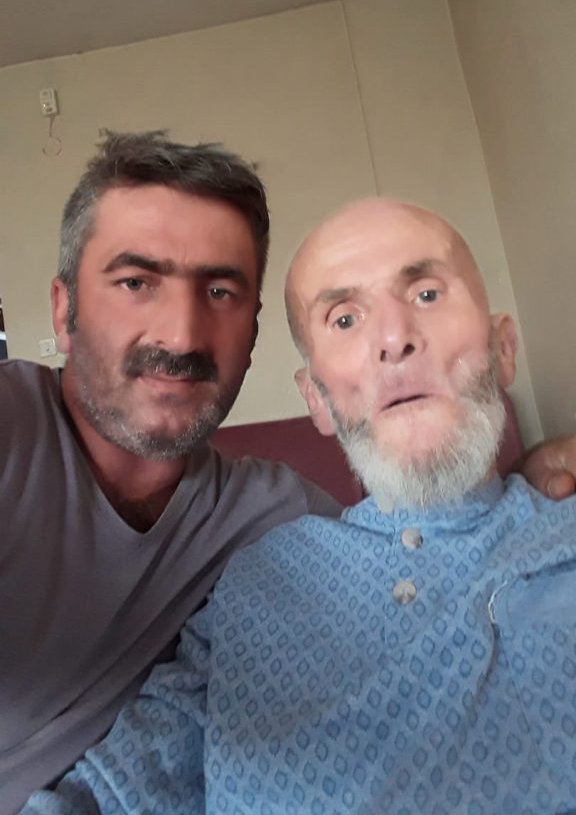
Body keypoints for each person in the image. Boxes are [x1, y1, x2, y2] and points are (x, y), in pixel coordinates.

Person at [23, 198, 576, 815]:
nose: (394, 338)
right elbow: (118, 789)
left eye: (426, 294)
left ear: (504, 348)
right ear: (316, 398)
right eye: (345, 319)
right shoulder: (255, 579)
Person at [0, 131, 340, 815]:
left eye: (219, 291)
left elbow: (434, 562)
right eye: (136, 282)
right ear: (64, 311)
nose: (182, 335)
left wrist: (541, 474)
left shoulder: (275, 519)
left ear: (253, 334)